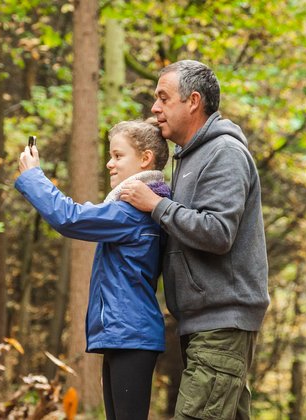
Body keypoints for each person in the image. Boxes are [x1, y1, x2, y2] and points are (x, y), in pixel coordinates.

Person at [120, 60, 270, 419]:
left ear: (193, 101)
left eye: (163, 97)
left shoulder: (224, 154)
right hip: (204, 324)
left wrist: (156, 205)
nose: (154, 107)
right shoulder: (186, 158)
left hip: (221, 324)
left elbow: (218, 232)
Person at [15, 120, 171, 420]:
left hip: (132, 335)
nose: (109, 164)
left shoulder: (132, 212)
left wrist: (34, 177)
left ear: (145, 159)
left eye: (117, 155)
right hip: (123, 335)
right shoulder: (135, 208)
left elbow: (69, 219)